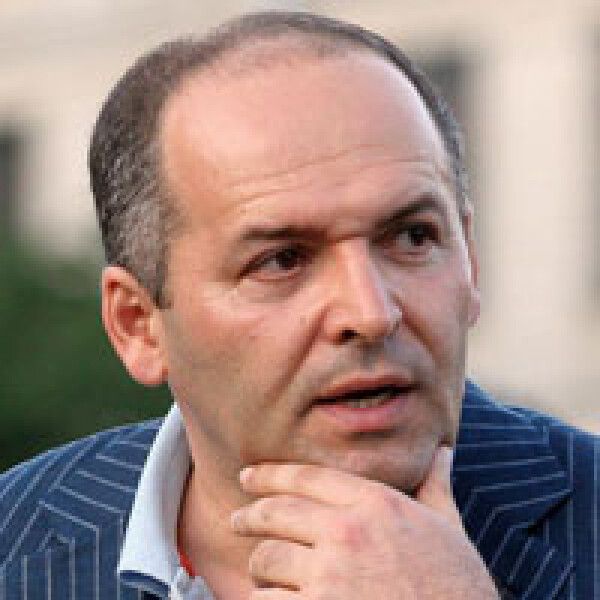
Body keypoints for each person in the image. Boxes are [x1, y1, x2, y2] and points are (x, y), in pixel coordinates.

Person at [0, 11, 597, 600]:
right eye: (282, 260)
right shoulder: (15, 548)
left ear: (469, 259)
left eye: (412, 237)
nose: (370, 314)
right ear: (138, 325)